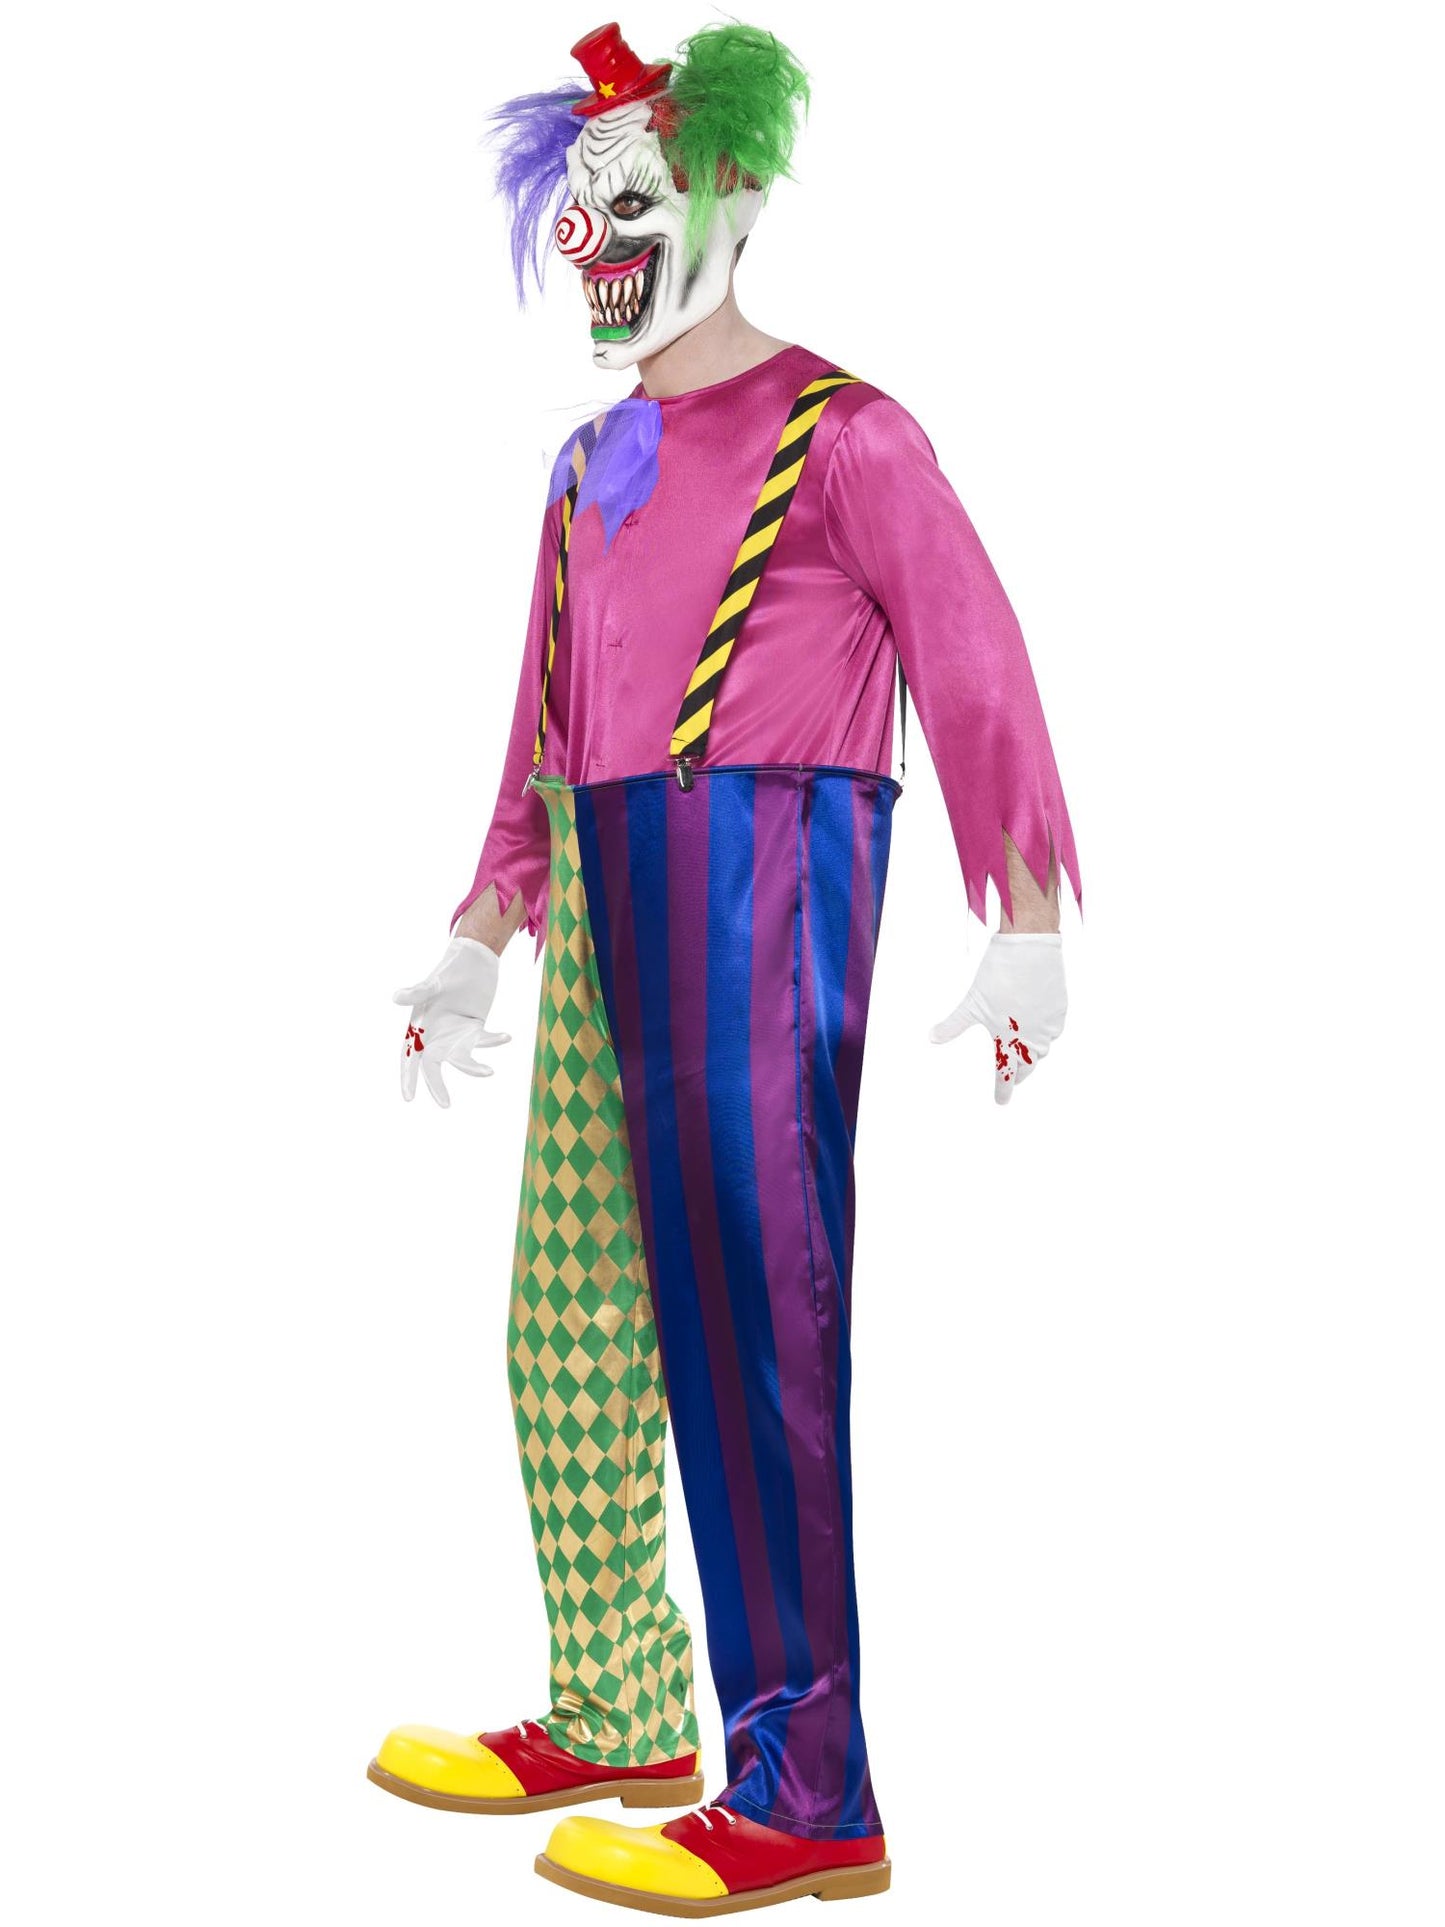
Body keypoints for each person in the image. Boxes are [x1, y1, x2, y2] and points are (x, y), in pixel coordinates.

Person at [370, 22, 1081, 1915]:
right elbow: (540, 721)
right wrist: (482, 927)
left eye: (641, 201)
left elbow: (972, 656)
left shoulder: (848, 434)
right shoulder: (585, 462)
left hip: (761, 869)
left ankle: (809, 1790)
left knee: (755, 1335)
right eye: (582, 206)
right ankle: (621, 1702)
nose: (605, 240)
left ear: (733, 196)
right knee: (570, 1319)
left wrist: (1024, 915)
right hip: (604, 889)